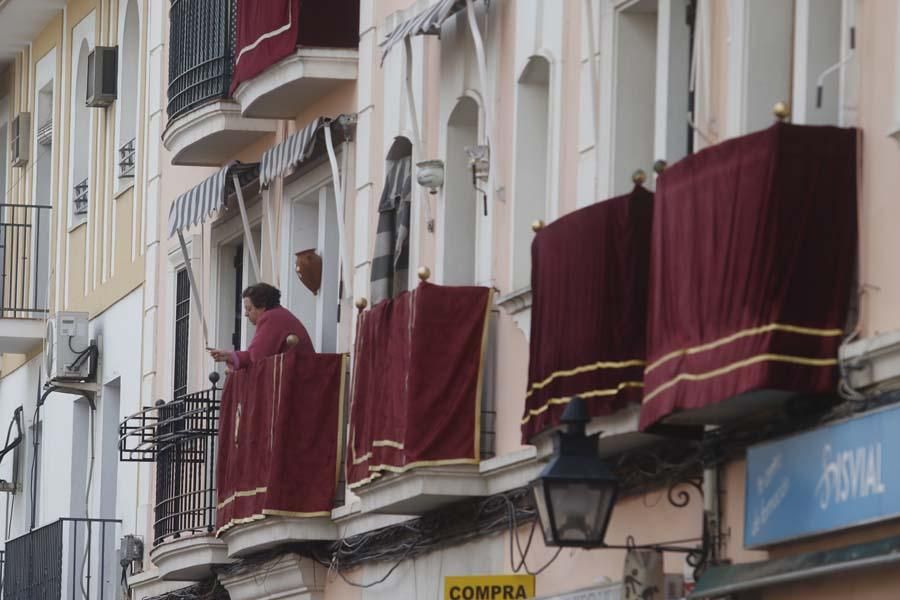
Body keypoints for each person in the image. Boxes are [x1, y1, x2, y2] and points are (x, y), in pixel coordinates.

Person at [209, 283, 313, 369]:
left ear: (262, 306)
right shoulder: (279, 314)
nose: (245, 314)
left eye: (249, 309)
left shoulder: (271, 317)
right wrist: (230, 356)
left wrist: (231, 356)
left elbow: (256, 358)